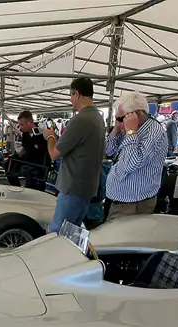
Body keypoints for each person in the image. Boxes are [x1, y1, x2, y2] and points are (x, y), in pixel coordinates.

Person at [42, 77, 105, 232]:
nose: (71, 101)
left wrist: (50, 136)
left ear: (76, 94)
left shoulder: (80, 119)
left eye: (71, 96)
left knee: (57, 235)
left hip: (72, 188)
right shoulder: (98, 118)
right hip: (86, 189)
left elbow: (54, 154)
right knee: (72, 233)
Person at [104, 91, 168, 221]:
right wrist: (116, 129)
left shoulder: (154, 132)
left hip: (133, 205)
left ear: (136, 115)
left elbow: (131, 164)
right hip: (120, 201)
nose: (119, 122)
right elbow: (108, 151)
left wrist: (131, 132)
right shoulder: (126, 128)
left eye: (121, 119)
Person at [5, 111, 48, 191]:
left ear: (29, 123)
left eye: (22, 124)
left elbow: (40, 153)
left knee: (30, 175)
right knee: (8, 163)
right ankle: (17, 188)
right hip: (29, 162)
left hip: (38, 166)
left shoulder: (42, 134)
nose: (20, 128)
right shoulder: (25, 134)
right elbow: (26, 149)